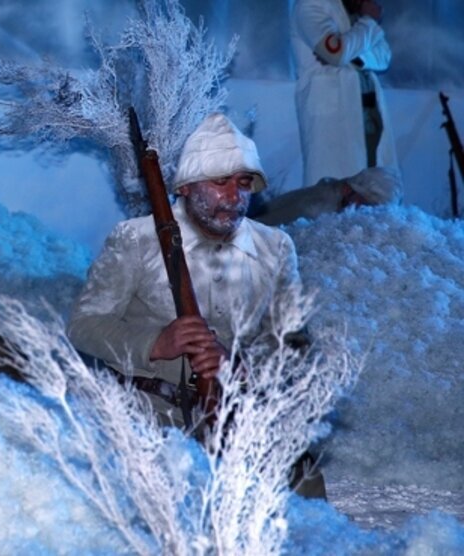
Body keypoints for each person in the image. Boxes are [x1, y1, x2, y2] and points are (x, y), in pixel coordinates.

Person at [67, 113, 325, 497]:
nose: (234, 197)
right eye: (220, 182)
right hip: (148, 412)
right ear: (186, 187)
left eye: (243, 184)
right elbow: (83, 325)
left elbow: (294, 342)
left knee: (301, 495)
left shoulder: (275, 248)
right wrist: (155, 343)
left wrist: (241, 365)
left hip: (238, 409)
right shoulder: (134, 240)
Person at [292, 0, 398, 189]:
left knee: (375, 188)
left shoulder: (355, 8)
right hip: (333, 116)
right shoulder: (310, 5)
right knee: (332, 192)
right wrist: (369, 23)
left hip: (370, 114)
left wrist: (348, 54)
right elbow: (336, 52)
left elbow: (384, 57)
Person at [252, 166, 401, 226]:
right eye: (367, 205)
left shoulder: (333, 191)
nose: (368, 213)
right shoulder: (317, 211)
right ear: (349, 190)